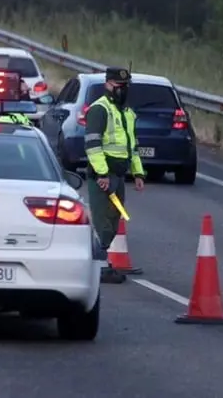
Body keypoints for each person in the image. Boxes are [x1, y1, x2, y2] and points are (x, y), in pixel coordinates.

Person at [84, 67, 146, 284]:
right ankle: (97, 266)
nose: (123, 90)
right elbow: (92, 145)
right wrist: (102, 173)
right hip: (104, 175)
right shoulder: (99, 110)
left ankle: (101, 262)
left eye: (126, 86)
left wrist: (138, 172)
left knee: (114, 217)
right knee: (103, 221)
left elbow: (133, 146)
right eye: (119, 86)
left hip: (118, 176)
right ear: (108, 85)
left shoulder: (127, 113)